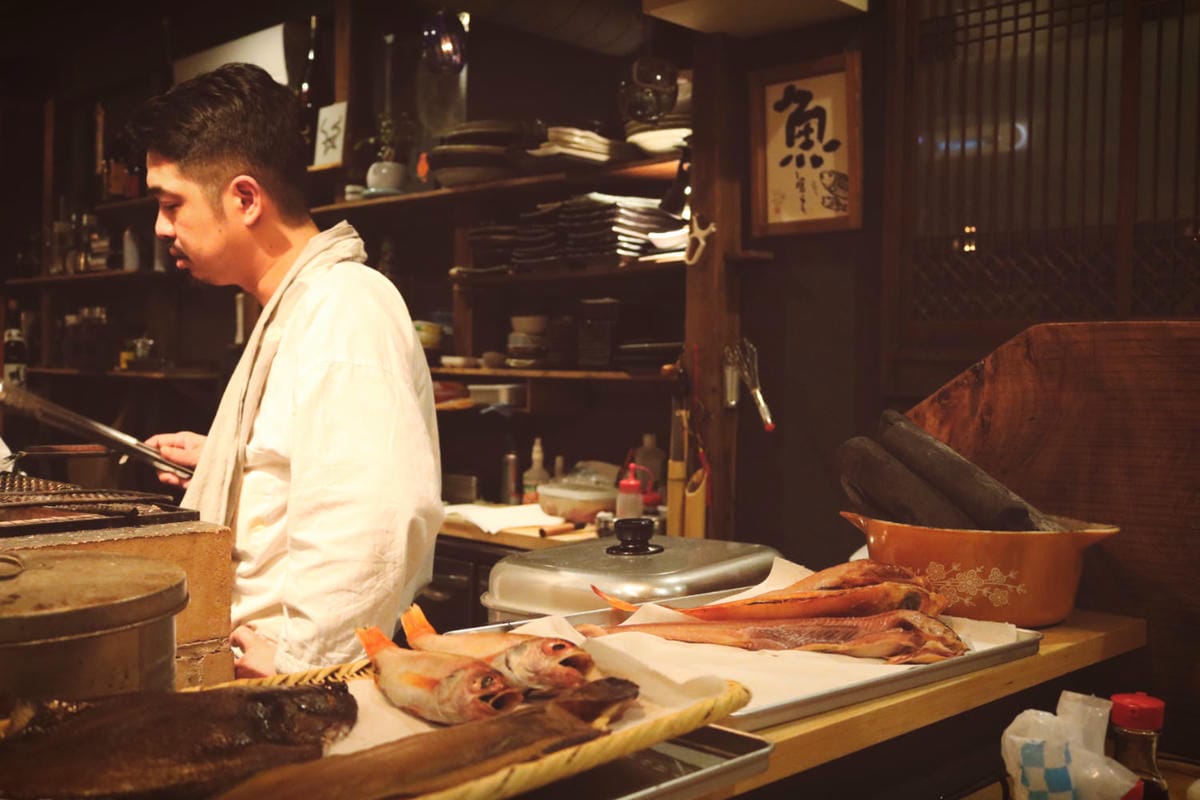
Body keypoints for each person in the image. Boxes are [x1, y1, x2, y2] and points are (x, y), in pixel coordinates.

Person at [130, 62, 444, 678]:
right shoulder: (296, 304)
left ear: (245, 198)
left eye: (172, 203)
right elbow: (315, 461)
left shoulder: (346, 304)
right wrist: (234, 457)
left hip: (290, 683)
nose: (161, 226)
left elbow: (370, 518)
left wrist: (302, 662)